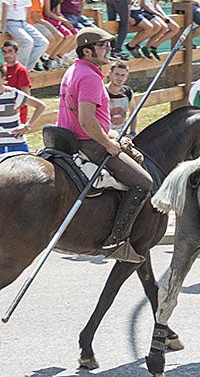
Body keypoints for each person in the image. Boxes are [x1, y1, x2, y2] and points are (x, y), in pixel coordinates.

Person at [57, 26, 153, 262]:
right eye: (103, 45)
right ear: (87, 51)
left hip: (72, 138)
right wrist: (108, 144)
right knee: (144, 182)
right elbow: (87, 121)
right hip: (89, 144)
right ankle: (115, 241)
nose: (108, 49)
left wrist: (110, 133)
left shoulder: (73, 70)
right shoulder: (90, 77)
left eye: (109, 44)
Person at [1, 0, 48, 71]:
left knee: (43, 43)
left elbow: (27, 7)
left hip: (23, 23)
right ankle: (16, 70)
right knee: (28, 42)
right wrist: (3, 27)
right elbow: (4, 6)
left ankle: (26, 70)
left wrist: (27, 24)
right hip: (11, 21)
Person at [0, 62, 45, 153]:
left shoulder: (13, 94)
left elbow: (40, 106)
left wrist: (27, 126)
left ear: (3, 78)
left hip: (16, 144)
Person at [2, 40, 32, 123]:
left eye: (10, 51)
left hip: (17, 115)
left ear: (16, 53)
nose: (7, 55)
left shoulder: (21, 70)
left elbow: (26, 95)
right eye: (4, 52)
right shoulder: (2, 69)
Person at [106, 61, 137, 137]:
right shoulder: (102, 91)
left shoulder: (128, 92)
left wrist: (132, 132)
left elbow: (133, 113)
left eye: (123, 75)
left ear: (126, 77)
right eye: (117, 74)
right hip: (107, 135)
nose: (120, 78)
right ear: (110, 74)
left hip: (123, 134)